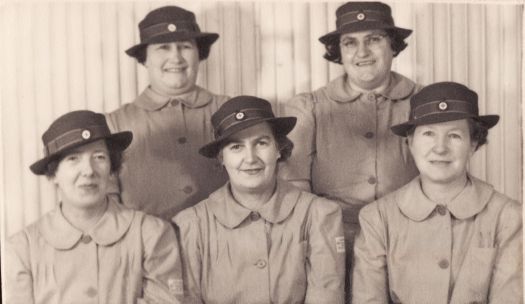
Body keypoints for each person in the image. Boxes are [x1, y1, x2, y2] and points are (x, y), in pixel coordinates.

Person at [280, 1, 420, 299]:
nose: (362, 52)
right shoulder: (309, 108)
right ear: (339, 52)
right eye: (350, 43)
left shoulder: (422, 102)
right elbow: (297, 194)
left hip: (410, 242)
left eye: (374, 39)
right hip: (332, 246)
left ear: (393, 46)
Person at [352, 82, 523, 303]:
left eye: (454, 136)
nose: (440, 148)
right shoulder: (377, 218)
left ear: (473, 144)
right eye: (429, 134)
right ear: (410, 143)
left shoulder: (508, 216)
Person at [173, 96, 346, 303]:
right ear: (221, 158)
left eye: (261, 143)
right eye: (236, 147)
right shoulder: (190, 225)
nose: (250, 158)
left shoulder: (319, 215)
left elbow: (326, 295)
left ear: (278, 150)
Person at [6, 110, 183, 304]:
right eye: (73, 159)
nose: (89, 171)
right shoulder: (23, 248)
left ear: (112, 168)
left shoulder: (151, 234)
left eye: (99, 157)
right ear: (54, 173)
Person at [106, 5, 229, 221]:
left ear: (199, 53)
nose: (176, 58)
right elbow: (108, 207)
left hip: (223, 246)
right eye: (163, 47)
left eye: (184, 46)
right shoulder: (114, 124)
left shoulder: (228, 110)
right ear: (144, 59)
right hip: (149, 249)